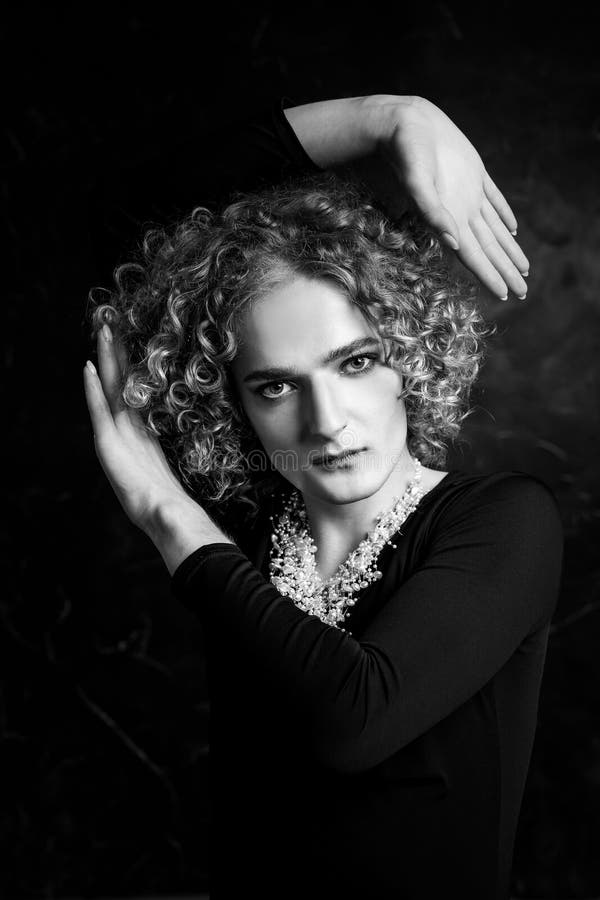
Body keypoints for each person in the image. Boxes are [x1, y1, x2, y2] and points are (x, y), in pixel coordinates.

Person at [82, 95, 562, 899]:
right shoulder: (252, 515)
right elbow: (139, 208)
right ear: (230, 398)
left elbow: (354, 718)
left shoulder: (502, 522)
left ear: (408, 347)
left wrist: (168, 515)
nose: (326, 422)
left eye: (356, 361)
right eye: (275, 385)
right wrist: (383, 117)